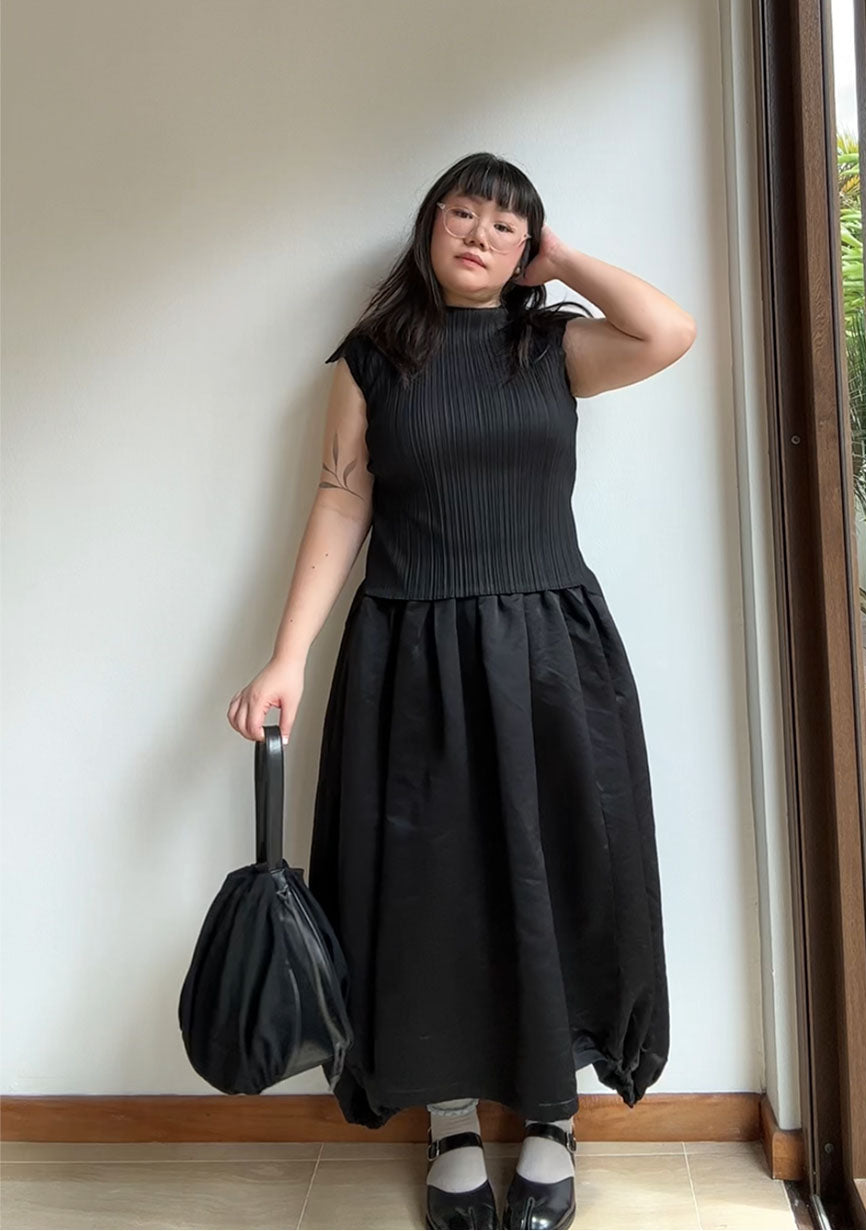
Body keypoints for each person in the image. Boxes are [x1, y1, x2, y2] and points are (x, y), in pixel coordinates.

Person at [227, 151, 696, 1231]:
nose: (481, 233)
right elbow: (342, 500)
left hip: (549, 650)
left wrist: (563, 261)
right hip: (412, 653)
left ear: (526, 246)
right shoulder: (371, 358)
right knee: (426, 890)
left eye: (506, 223)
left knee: (558, 874)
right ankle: (448, 1124)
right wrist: (288, 654)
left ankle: (551, 1116)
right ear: (429, 223)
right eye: (463, 212)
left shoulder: (551, 343)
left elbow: (667, 332)